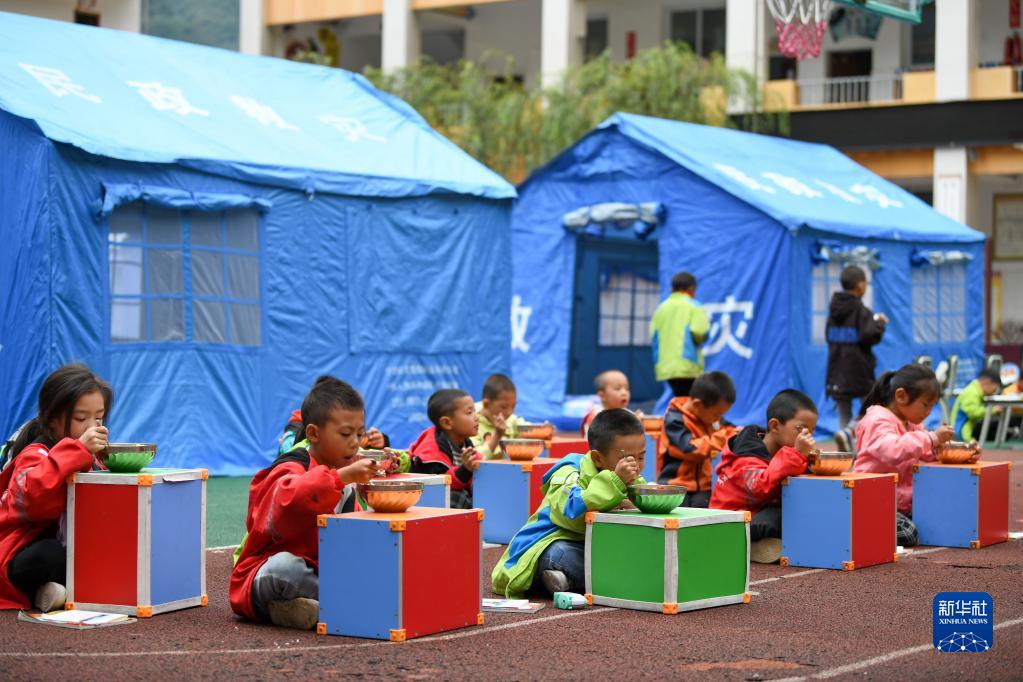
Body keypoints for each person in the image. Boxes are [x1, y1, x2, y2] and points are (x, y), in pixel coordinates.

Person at [229, 376, 379, 630]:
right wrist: (341, 477)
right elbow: (290, 501)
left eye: (359, 433)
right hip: (267, 575)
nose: (355, 442)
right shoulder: (290, 467)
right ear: (313, 434)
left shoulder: (346, 475)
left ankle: (294, 609)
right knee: (286, 569)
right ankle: (350, 601)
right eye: (345, 434)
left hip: (323, 572)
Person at [491, 409, 646, 598]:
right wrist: (614, 483)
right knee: (559, 554)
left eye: (641, 457)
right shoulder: (569, 472)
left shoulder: (629, 477)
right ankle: (566, 577)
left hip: (591, 545)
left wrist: (640, 502)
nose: (636, 465)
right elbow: (570, 513)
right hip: (547, 544)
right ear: (598, 458)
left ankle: (567, 579)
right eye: (627, 459)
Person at [0, 364, 112, 612]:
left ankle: (55, 591)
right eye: (81, 418)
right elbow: (35, 502)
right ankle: (42, 590)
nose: (92, 426)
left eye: (99, 418)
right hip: (20, 554)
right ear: (52, 419)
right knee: (48, 556)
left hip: (74, 548)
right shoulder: (35, 454)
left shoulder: (91, 457)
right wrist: (76, 452)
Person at [853, 364, 956, 547]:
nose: (928, 413)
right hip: (872, 500)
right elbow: (894, 450)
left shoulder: (911, 423)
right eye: (925, 405)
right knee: (908, 535)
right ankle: (860, 526)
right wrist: (932, 438)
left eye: (932, 406)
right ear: (900, 396)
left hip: (900, 504)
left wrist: (952, 451)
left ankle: (874, 526)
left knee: (944, 516)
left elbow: (925, 451)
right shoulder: (877, 420)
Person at [709, 389, 817, 564]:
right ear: (774, 426)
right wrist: (797, 454)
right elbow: (762, 486)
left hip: (754, 515)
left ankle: (761, 545)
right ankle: (744, 546)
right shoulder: (745, 456)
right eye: (801, 429)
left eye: (811, 431)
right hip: (728, 525)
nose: (807, 437)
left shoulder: (781, 453)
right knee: (781, 516)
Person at [825, 265, 887, 452]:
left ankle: (845, 453)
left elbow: (828, 336)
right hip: (859, 371)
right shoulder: (861, 310)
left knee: (843, 411)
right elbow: (868, 336)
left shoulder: (833, 310)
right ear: (860, 285)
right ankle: (858, 442)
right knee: (870, 407)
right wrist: (879, 324)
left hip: (836, 370)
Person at [656, 371, 737, 508]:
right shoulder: (675, 420)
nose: (718, 419)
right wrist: (721, 438)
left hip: (703, 486)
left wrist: (738, 433)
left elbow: (729, 429)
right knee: (681, 515)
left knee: (708, 511)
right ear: (697, 404)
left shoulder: (709, 416)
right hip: (675, 486)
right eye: (716, 414)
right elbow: (690, 449)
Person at [409, 389, 481, 508]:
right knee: (458, 497)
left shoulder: (465, 442)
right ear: (447, 423)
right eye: (469, 412)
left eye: (475, 411)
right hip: (425, 503)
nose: (476, 417)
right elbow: (440, 486)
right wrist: (465, 469)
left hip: (451, 493)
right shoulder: (430, 453)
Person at [650, 271, 710, 398]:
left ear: (672, 289)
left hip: (665, 365)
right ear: (691, 288)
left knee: (680, 398)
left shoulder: (661, 308)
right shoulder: (693, 305)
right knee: (691, 400)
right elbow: (700, 332)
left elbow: (654, 335)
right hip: (687, 365)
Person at [472, 373, 523, 460]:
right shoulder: (471, 421)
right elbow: (475, 458)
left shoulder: (512, 420)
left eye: (513, 406)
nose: (509, 412)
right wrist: (497, 436)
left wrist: (542, 430)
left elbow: (528, 429)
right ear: (486, 404)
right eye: (504, 407)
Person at [950, 368, 1002, 443]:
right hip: (961, 431)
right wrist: (993, 410)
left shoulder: (975, 392)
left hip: (963, 431)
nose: (993, 393)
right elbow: (973, 413)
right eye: (994, 390)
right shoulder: (972, 393)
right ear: (987, 382)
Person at [580, 369, 632, 437]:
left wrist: (638, 424)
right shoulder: (595, 416)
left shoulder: (630, 415)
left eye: (627, 388)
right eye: (617, 388)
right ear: (602, 396)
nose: (624, 393)